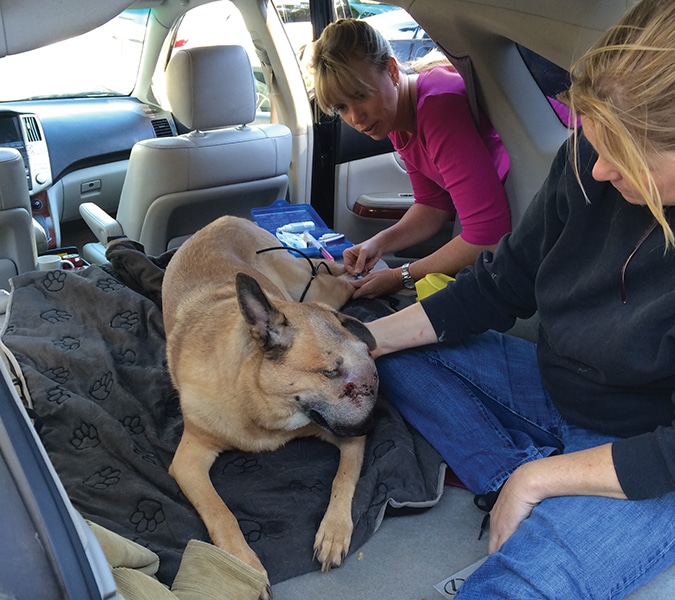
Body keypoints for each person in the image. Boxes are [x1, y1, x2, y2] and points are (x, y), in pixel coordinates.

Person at [365, 0, 675, 596]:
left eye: (626, 154)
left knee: (516, 585)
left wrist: (538, 479)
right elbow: (498, 283)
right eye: (595, 141)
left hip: (652, 453)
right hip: (554, 390)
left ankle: (542, 496)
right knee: (380, 361)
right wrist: (358, 341)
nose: (600, 168)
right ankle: (535, 484)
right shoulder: (585, 161)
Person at [309, 19, 511, 299]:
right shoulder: (396, 121)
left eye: (361, 95)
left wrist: (400, 276)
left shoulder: (438, 107)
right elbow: (433, 205)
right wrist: (376, 244)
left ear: (392, 70)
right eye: (342, 106)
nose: (355, 118)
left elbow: (487, 236)